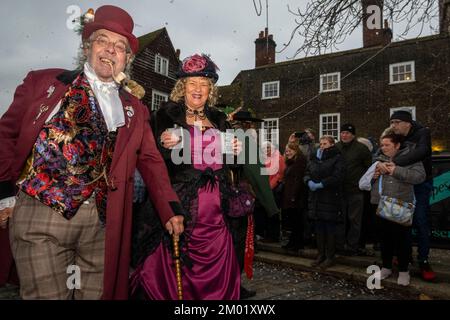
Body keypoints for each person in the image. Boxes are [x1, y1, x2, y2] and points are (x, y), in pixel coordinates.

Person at [0, 5, 184, 300]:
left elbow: (150, 160)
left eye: (120, 46)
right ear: (88, 47)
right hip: (40, 214)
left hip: (102, 224)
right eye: (103, 40)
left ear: (127, 59)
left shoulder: (134, 109)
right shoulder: (43, 83)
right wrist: (4, 194)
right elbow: (5, 134)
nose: (111, 50)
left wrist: (170, 208)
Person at [130, 53, 242, 300]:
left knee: (218, 271)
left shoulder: (219, 118)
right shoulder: (166, 115)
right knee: (171, 268)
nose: (198, 89)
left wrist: (236, 150)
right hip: (179, 202)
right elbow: (151, 158)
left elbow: (230, 162)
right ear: (183, 86)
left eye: (204, 84)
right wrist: (161, 143)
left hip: (216, 208)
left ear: (210, 89)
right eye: (192, 83)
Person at [361, 132, 425, 286]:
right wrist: (375, 174)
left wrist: (395, 170)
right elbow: (366, 183)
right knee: (384, 239)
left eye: (387, 145)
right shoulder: (378, 159)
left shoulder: (411, 158)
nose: (383, 148)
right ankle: (386, 267)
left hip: (400, 205)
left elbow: (419, 177)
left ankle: (404, 271)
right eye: (382, 145)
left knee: (402, 239)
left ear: (397, 145)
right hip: (380, 205)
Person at [229, 110, 279, 299]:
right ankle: (233, 287)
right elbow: (256, 174)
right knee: (238, 244)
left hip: (218, 197)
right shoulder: (245, 140)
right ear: (248, 124)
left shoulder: (224, 135)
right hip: (239, 199)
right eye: (253, 125)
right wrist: (270, 205)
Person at [387, 110, 436, 281]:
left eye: (396, 122)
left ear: (408, 122)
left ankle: (423, 260)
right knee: (401, 221)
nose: (393, 126)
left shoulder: (422, 132)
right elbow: (386, 148)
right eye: (391, 122)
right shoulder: (396, 136)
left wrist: (397, 162)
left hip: (421, 183)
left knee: (421, 221)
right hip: (402, 182)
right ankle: (403, 256)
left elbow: (423, 151)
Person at [305, 135, 345, 269]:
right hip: (316, 198)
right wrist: (308, 181)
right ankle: (320, 254)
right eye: (321, 144)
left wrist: (322, 184)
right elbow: (307, 172)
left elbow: (338, 176)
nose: (322, 146)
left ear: (332, 145)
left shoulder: (337, 158)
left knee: (330, 229)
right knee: (319, 229)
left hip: (330, 198)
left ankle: (330, 256)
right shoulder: (314, 158)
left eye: (325, 144)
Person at [336, 124, 372, 255]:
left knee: (354, 220)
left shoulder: (361, 149)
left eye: (347, 133)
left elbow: (369, 169)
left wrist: (362, 183)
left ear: (353, 135)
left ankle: (352, 247)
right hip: (339, 190)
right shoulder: (336, 147)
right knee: (340, 219)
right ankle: (339, 245)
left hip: (355, 191)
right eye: (342, 133)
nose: (344, 135)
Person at [281, 142, 308, 251]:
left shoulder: (299, 161)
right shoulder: (290, 162)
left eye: (290, 150)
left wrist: (293, 196)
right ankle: (293, 242)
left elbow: (298, 180)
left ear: (296, 150)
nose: (288, 152)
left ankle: (297, 244)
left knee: (297, 220)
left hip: (296, 196)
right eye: (287, 151)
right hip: (289, 194)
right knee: (292, 221)